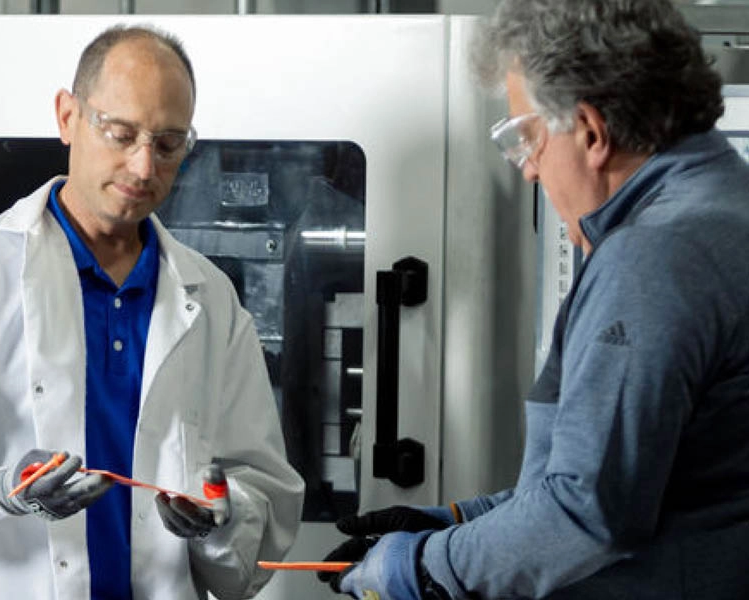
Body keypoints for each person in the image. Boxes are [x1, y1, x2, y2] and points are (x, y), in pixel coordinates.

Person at [320, 1, 749, 598]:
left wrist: (414, 568)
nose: (528, 171)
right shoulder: (726, 208)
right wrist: (456, 522)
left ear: (591, 132)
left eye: (528, 138)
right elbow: (642, 481)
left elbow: (584, 514)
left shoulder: (653, 256)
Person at [0, 24, 304, 600]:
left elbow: (261, 496)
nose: (144, 167)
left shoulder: (211, 299)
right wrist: (1, 491)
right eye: (121, 134)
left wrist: (220, 519)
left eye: (168, 145)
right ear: (68, 117)